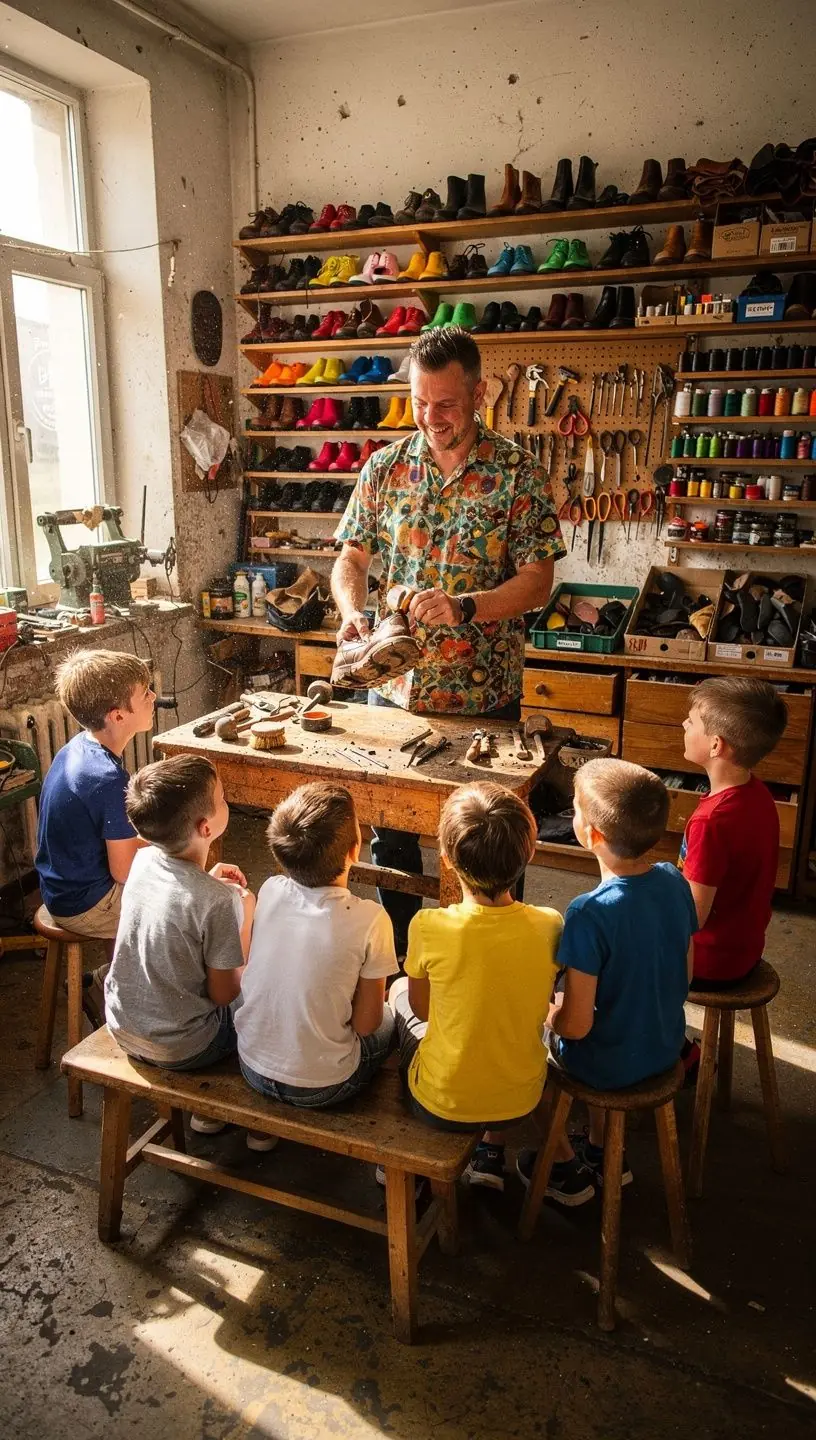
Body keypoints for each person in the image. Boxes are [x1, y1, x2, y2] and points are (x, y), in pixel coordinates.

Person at [331, 326, 565, 953]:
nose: (430, 418)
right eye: (419, 402)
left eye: (446, 405)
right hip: (394, 689)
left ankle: (492, 958)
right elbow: (350, 561)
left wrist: (467, 607)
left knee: (490, 838)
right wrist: (353, 613)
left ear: (481, 393)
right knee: (393, 836)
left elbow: (538, 582)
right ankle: (416, 960)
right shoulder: (384, 468)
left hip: (482, 695)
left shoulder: (519, 473)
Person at [516, 759, 697, 1206]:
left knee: (524, 1033)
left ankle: (559, 1167)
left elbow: (576, 1027)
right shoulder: (675, 881)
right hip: (664, 1047)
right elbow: (685, 974)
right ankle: (602, 1149)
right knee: (612, 1014)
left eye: (574, 809)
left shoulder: (588, 912)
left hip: (606, 1066)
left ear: (591, 833)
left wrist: (549, 1013)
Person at [388, 782, 562, 1193]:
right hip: (521, 1100)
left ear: (445, 861)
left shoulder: (428, 926)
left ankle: (399, 1162)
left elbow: (424, 1011)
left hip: (440, 1103)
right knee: (500, 1009)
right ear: (530, 853)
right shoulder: (550, 924)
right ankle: (492, 1148)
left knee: (395, 999)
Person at [104, 754, 258, 1140]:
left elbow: (178, 900)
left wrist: (207, 879)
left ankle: (209, 1111)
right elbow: (226, 992)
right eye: (223, 798)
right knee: (265, 1001)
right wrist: (247, 915)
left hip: (123, 1024)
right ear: (206, 827)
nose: (227, 801)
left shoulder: (141, 861)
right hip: (186, 1046)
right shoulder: (218, 902)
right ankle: (250, 1115)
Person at [235, 782, 397, 1109]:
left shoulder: (269, 889)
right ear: (355, 850)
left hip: (251, 1067)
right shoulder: (371, 919)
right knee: (396, 1015)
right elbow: (366, 1025)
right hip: (324, 1087)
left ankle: (262, 1128)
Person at [35, 649, 156, 1018]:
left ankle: (107, 981)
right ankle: (127, 997)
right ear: (118, 716)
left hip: (60, 885)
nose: (153, 698)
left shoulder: (79, 746)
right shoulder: (107, 778)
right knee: (177, 903)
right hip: (82, 902)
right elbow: (123, 872)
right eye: (145, 694)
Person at [679, 676, 787, 992]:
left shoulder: (711, 822)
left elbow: (691, 919)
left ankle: (649, 1038)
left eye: (693, 720)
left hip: (708, 962)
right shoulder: (758, 793)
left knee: (605, 936)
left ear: (716, 745)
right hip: (744, 949)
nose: (685, 723)